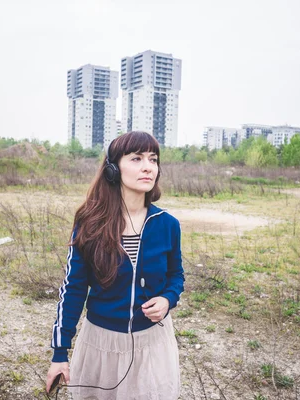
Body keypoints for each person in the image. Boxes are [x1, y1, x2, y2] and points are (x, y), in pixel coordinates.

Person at [45, 131, 185, 399]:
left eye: (153, 159)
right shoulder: (90, 223)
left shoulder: (168, 224)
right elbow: (73, 289)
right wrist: (60, 353)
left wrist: (168, 299)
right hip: (102, 344)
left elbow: (176, 275)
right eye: (136, 158)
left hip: (152, 343)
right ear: (112, 169)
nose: (148, 167)